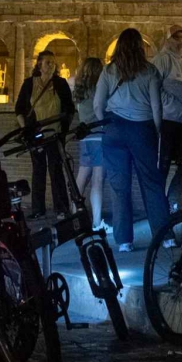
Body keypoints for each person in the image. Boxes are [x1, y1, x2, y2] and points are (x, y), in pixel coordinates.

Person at [94, 28, 168, 252]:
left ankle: (124, 241)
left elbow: (98, 105)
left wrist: (106, 123)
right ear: (139, 46)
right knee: (152, 183)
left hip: (114, 129)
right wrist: (156, 131)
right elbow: (157, 106)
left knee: (120, 187)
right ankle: (165, 236)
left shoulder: (108, 71)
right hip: (142, 129)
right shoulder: (150, 71)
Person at [16, 50, 76, 218]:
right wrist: (25, 130)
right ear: (39, 64)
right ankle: (38, 210)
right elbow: (19, 109)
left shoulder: (61, 83)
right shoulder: (29, 84)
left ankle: (61, 208)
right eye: (47, 62)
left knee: (56, 170)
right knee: (38, 171)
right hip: (35, 135)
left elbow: (69, 109)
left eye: (53, 62)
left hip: (55, 133)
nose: (51, 65)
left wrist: (63, 129)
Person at [152, 23, 182, 210]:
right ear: (167, 40)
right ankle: (157, 207)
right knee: (162, 166)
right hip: (165, 121)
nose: (180, 41)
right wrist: (177, 105)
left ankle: (171, 199)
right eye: (176, 37)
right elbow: (155, 90)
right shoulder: (161, 60)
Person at [72, 57, 108, 232]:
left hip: (85, 138)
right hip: (99, 136)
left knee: (81, 177)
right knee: (97, 180)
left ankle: (74, 218)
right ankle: (97, 221)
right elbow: (99, 108)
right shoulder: (98, 88)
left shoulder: (79, 90)